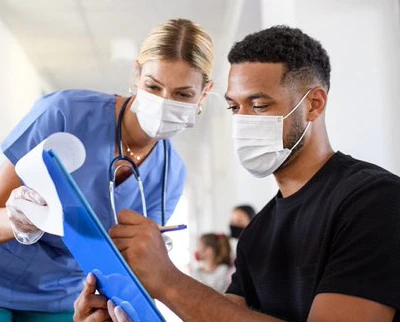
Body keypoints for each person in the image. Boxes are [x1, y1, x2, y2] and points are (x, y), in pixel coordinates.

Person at [74, 25, 400, 322]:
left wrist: (167, 280)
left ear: (313, 104)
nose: (242, 121)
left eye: (258, 106)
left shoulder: (373, 201)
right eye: (234, 107)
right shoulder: (257, 232)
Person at [0, 18, 214, 321]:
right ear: (137, 75)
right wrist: (19, 220)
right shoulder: (63, 112)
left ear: (204, 94)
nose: (164, 103)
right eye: (153, 86)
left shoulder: (171, 174)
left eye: (183, 94)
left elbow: (127, 265)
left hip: (64, 299)